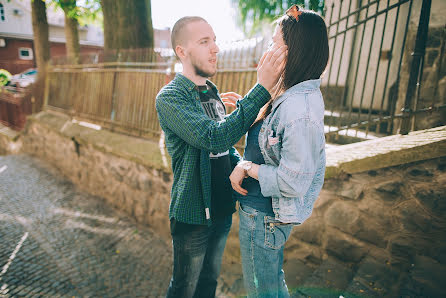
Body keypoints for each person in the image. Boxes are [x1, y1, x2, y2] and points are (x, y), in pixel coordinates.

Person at [155, 16, 287, 298]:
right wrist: (261, 89)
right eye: (205, 42)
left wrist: (240, 163)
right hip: (193, 216)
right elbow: (213, 137)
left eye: (215, 40)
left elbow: (222, 149)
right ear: (182, 51)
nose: (215, 48)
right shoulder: (170, 98)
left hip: (221, 211)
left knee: (209, 283)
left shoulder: (212, 92)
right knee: (183, 288)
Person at [229, 5, 329, 297]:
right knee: (271, 285)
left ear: (293, 51)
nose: (268, 50)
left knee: (262, 291)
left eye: (275, 43)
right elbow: (272, 139)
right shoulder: (290, 93)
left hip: (265, 219)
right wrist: (247, 105)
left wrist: (246, 167)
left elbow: (292, 181)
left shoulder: (301, 109)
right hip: (261, 215)